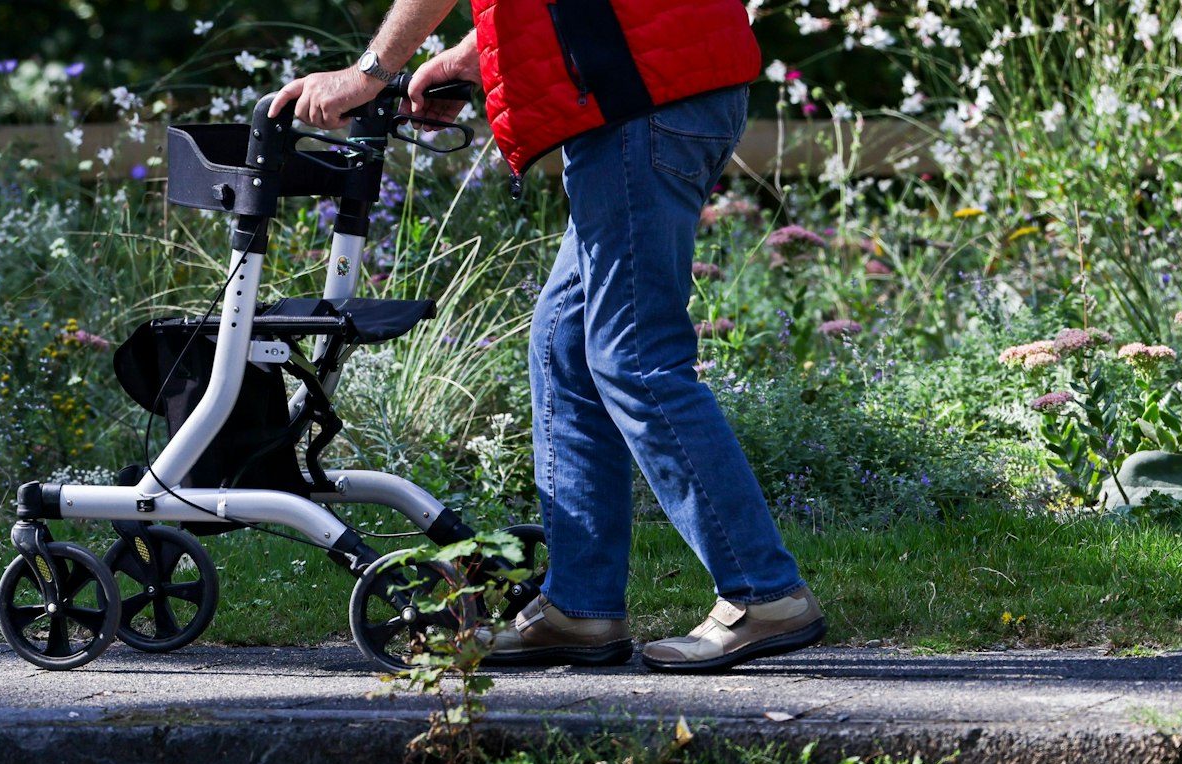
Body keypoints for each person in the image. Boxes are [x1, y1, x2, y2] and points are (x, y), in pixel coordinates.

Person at [274, 0, 825, 674]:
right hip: (653, 88)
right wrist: (469, 59)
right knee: (564, 346)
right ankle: (580, 609)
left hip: (638, 101)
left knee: (636, 358)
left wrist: (368, 70)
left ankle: (762, 591)